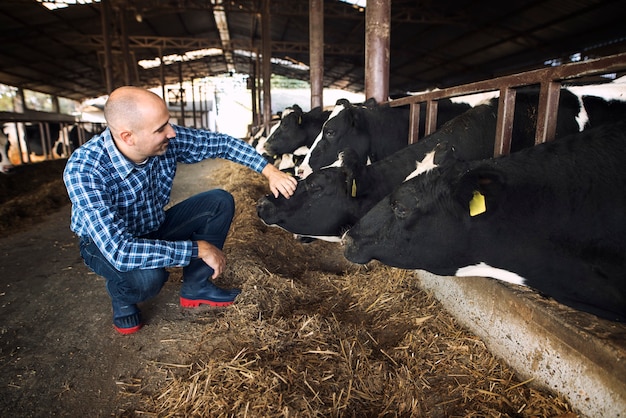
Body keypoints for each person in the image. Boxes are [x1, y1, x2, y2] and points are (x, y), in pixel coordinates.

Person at [63, 86, 297, 335]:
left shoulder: (167, 141)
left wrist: (270, 171)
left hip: (153, 225)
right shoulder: (85, 169)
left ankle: (196, 287)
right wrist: (198, 248)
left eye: (168, 123)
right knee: (147, 279)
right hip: (104, 246)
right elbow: (120, 251)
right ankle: (122, 296)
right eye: (160, 128)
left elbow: (223, 144)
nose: (171, 132)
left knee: (218, 201)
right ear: (128, 136)